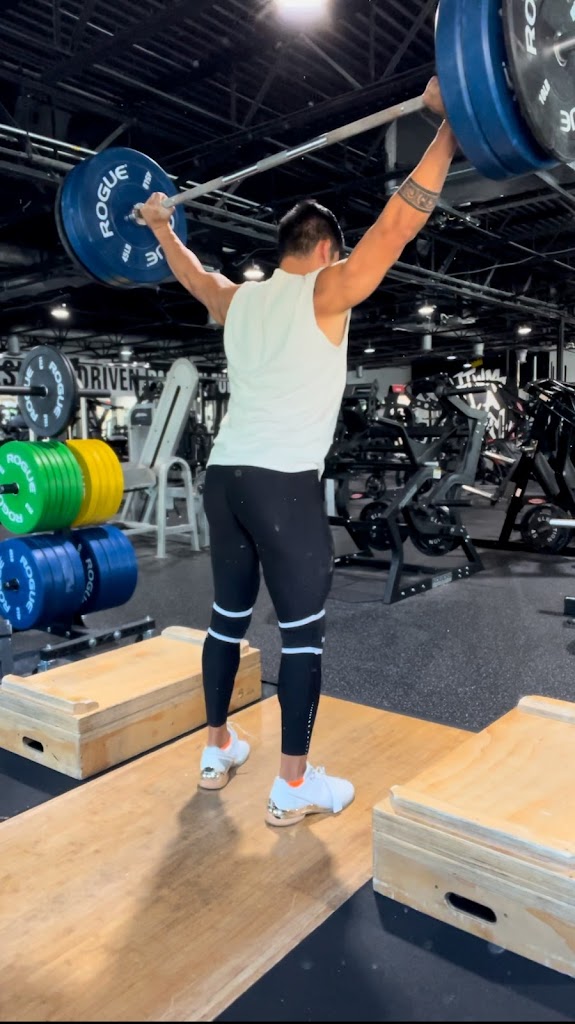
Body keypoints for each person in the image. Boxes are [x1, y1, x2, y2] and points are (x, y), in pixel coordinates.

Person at [140, 76, 458, 827]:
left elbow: (190, 272)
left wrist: (159, 226)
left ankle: (217, 749)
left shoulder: (237, 299)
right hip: (282, 486)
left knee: (226, 619)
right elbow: (396, 227)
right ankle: (292, 786)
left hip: (225, 479)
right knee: (302, 639)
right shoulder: (325, 289)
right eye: (337, 253)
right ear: (323, 249)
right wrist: (450, 131)